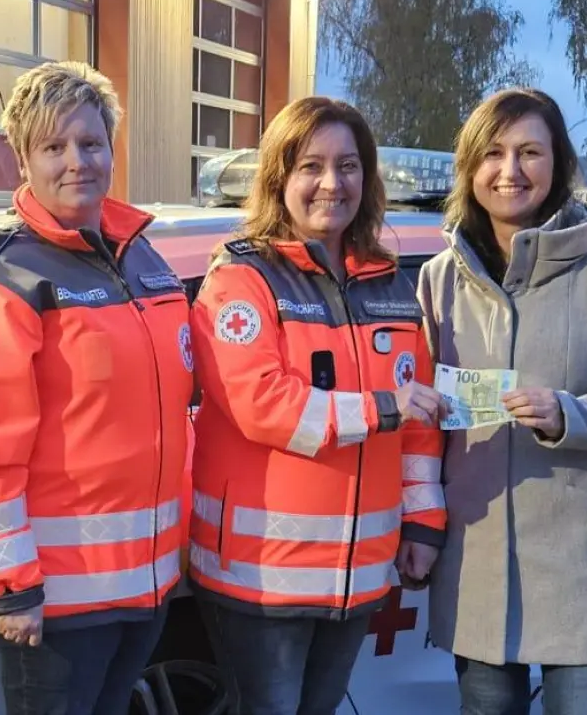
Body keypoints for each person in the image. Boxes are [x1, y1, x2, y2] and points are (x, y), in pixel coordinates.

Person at [0, 62, 193, 714]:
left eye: (90, 143)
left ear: (112, 149)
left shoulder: (146, 263)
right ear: (22, 160)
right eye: (53, 147)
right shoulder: (6, 279)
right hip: (56, 601)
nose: (76, 161)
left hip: (149, 588)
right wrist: (8, 581)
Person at [189, 96, 446, 714]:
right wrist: (384, 406)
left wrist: (423, 521)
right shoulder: (241, 279)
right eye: (311, 165)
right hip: (260, 576)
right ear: (280, 178)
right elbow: (264, 405)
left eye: (349, 165)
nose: (332, 183)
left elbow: (420, 429)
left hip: (360, 575)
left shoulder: (390, 284)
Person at [417, 88, 587, 715]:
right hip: (477, 553)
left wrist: (569, 414)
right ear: (470, 168)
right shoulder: (438, 279)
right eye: (493, 153)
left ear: (558, 163)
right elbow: (423, 418)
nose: (510, 171)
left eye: (530, 151)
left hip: (581, 553)